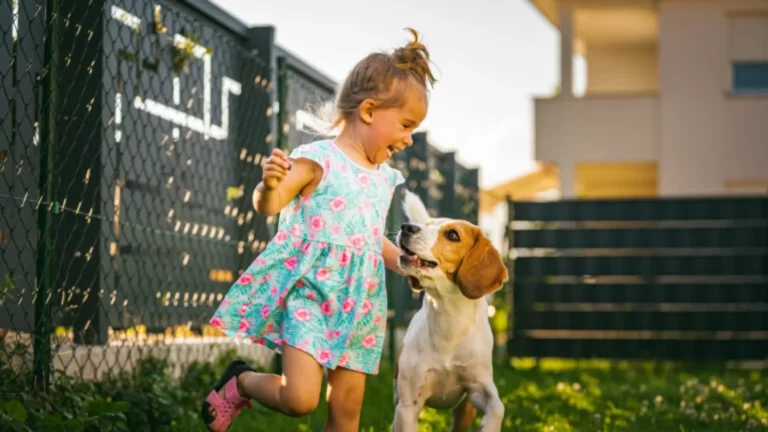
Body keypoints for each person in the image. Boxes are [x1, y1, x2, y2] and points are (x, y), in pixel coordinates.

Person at [201, 28, 437, 432]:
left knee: (346, 412)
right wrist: (269, 185)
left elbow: (365, 238)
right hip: (313, 293)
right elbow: (269, 206)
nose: (409, 137)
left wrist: (404, 262)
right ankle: (241, 381)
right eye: (405, 124)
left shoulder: (383, 178)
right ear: (368, 111)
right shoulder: (318, 159)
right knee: (300, 399)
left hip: (361, 303)